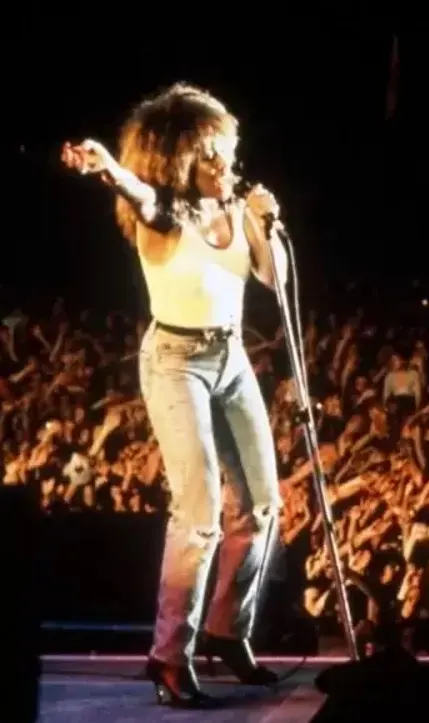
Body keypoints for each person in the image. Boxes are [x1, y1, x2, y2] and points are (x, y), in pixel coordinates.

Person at [61, 83, 287, 708]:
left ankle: (226, 632)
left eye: (228, 154)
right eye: (212, 157)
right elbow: (137, 192)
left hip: (232, 357)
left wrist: (266, 224)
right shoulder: (162, 213)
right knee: (200, 516)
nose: (226, 166)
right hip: (176, 361)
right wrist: (109, 168)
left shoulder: (238, 208)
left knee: (263, 506)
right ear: (182, 161)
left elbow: (274, 282)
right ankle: (167, 658)